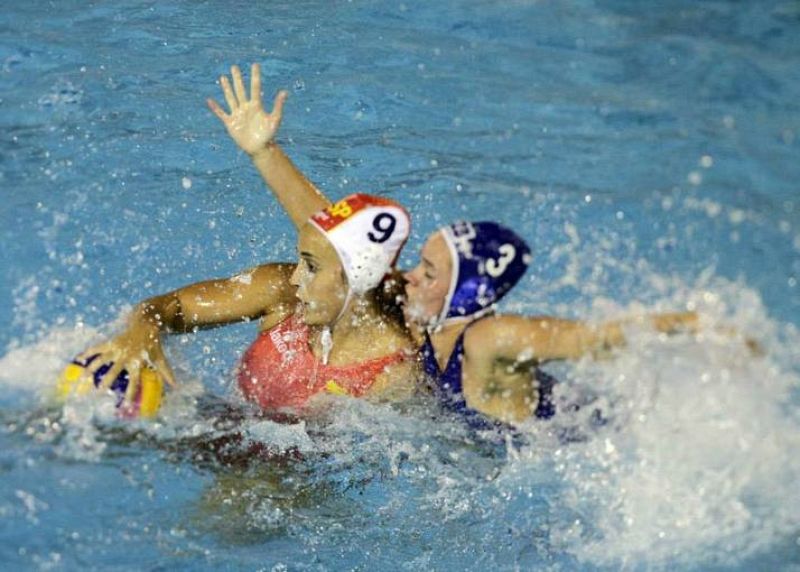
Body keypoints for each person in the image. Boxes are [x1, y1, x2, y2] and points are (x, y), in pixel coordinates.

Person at [207, 63, 700, 427]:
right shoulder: (418, 318)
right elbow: (339, 248)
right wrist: (264, 153)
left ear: (463, 294)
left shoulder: (488, 339)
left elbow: (596, 338)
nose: (410, 275)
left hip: (575, 444)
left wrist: (703, 329)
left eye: (429, 271)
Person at [67, 192, 417, 412]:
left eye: (310, 266)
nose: (295, 277)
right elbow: (170, 306)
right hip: (215, 425)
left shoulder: (391, 375)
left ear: (356, 278)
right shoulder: (281, 292)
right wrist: (142, 331)